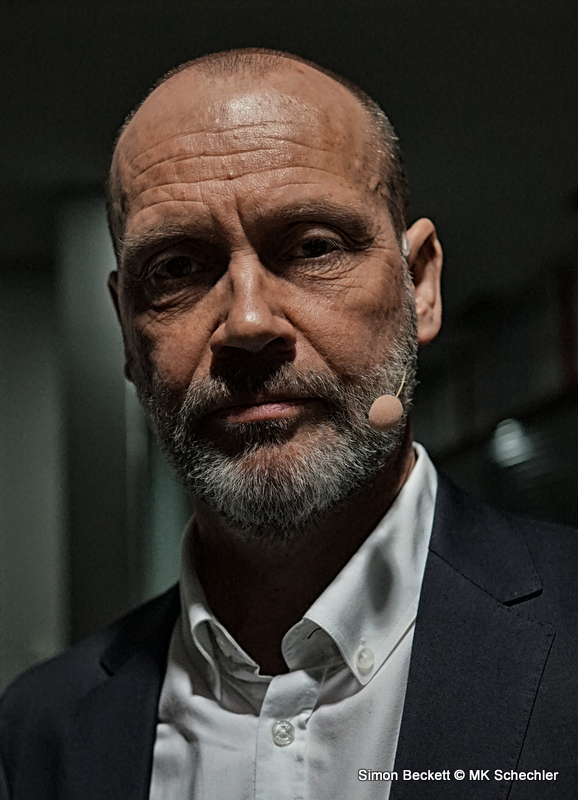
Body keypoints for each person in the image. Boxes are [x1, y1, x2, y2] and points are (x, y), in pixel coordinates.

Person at [1, 48, 577, 800]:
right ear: (126, 332)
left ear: (421, 286)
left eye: (312, 248)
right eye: (176, 269)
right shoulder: (38, 735)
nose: (247, 322)